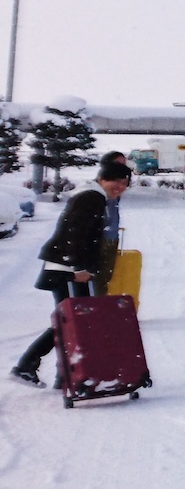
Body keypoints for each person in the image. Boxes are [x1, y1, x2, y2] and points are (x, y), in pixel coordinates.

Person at [10, 159, 132, 387]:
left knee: (73, 322)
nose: (120, 186)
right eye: (115, 181)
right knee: (72, 321)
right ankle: (28, 366)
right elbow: (73, 234)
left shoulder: (94, 196)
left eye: (124, 183)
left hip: (69, 268)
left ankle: (63, 374)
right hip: (67, 269)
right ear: (102, 179)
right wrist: (80, 268)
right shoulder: (91, 198)